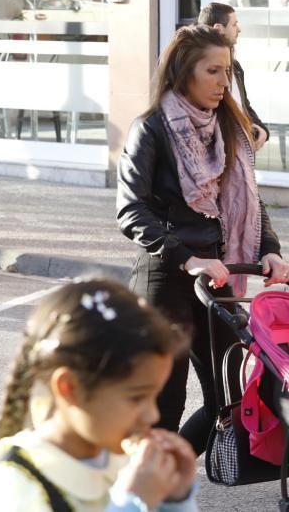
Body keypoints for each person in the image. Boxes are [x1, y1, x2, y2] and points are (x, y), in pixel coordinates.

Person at [116, 24, 289, 456]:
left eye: (227, 71)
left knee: (228, 398)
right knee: (164, 404)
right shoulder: (151, 129)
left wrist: (270, 248)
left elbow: (251, 198)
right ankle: (141, 493)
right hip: (166, 276)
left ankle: (159, 482)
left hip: (219, 274)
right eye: (213, 71)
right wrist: (186, 258)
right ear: (183, 72)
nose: (224, 82)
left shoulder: (229, 127)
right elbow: (131, 209)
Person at [0, 280, 198, 511]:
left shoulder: (126, 463)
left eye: (155, 396)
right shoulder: (12, 486)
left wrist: (175, 499)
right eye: (137, 398)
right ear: (69, 388)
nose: (152, 415)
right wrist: (133, 503)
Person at [197, 2, 268, 150]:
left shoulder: (235, 67)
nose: (239, 29)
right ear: (218, 29)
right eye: (234, 24)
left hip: (241, 152)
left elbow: (243, 105)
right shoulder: (197, 71)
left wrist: (262, 130)